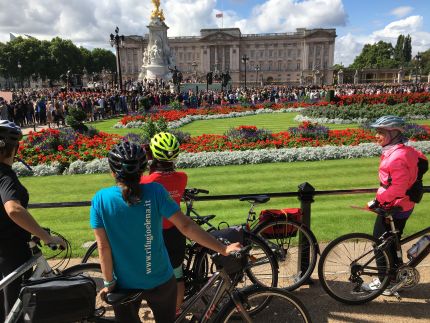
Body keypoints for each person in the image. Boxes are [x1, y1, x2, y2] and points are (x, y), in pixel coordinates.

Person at [90, 141, 240, 323]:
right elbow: (186, 226)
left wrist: (108, 283)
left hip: (124, 283)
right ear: (143, 170)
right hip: (160, 279)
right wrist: (222, 249)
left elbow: (103, 247)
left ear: (112, 171)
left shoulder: (100, 199)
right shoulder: (155, 191)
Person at [0, 120, 66, 322]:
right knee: (17, 313)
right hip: (12, 254)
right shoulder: (5, 177)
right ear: (14, 148)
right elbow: (13, 209)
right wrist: (45, 236)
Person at [362, 115, 427, 295]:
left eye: (381, 132)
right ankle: (395, 276)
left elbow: (397, 188)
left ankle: (385, 282)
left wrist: (378, 202)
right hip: (404, 204)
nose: (377, 135)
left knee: (380, 243)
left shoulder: (396, 157)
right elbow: (422, 161)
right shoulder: (405, 151)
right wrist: (417, 180)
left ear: (394, 133)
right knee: (391, 242)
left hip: (395, 205)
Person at [140, 132, 187, 313]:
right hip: (176, 231)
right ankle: (175, 311)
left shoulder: (147, 181)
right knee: (177, 276)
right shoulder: (182, 177)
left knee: (152, 276)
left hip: (155, 233)